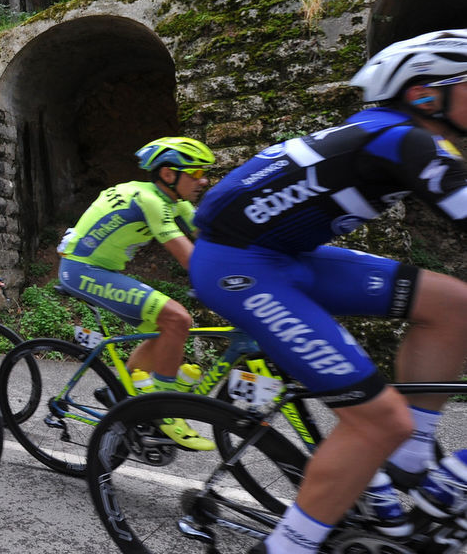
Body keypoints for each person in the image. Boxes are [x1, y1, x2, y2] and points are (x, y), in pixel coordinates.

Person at [188, 30, 467, 554]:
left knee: (453, 304)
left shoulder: (399, 133)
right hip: (239, 266)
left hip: (289, 257)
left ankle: (410, 457)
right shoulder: (408, 140)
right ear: (425, 94)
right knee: (379, 419)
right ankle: (288, 547)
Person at [56, 136, 216, 451]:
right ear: (169, 174)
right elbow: (191, 260)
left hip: (103, 269)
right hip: (82, 270)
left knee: (163, 329)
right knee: (176, 319)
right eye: (196, 173)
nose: (204, 180)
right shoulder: (151, 201)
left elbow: (211, 237)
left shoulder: (174, 201)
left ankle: (120, 391)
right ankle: (165, 412)